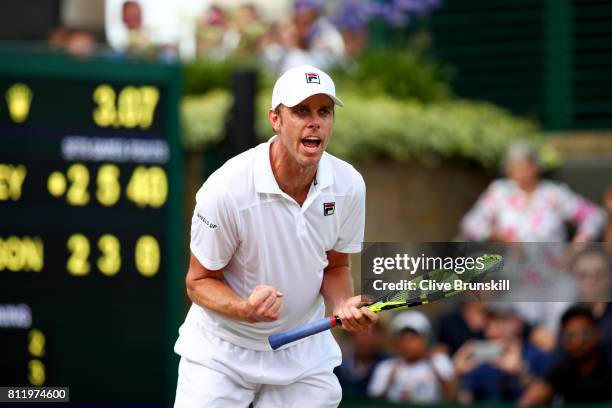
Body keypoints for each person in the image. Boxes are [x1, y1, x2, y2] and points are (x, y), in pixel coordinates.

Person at [173, 65, 377, 408]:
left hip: (303, 352)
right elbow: (198, 282)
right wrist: (245, 309)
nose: (314, 122)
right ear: (275, 120)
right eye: (301, 111)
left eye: (323, 112)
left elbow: (336, 265)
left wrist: (343, 305)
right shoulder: (226, 189)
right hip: (221, 353)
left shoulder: (349, 185)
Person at [453, 303, 552, 404]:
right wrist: (457, 375)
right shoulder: (483, 361)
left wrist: (520, 371)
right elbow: (463, 399)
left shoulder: (538, 356)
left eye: (499, 323)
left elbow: (547, 393)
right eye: (488, 326)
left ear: (517, 324)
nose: (492, 332)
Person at [519, 306, 612, 405]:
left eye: (585, 333)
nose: (578, 341)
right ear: (562, 340)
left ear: (598, 333)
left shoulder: (609, 360)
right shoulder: (561, 365)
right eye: (570, 335)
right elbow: (537, 393)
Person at [367, 311, 456, 404]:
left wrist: (435, 370)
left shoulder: (440, 362)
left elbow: (453, 398)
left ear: (424, 339)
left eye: (413, 337)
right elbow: (374, 403)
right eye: (403, 337)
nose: (407, 342)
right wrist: (389, 381)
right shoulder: (386, 367)